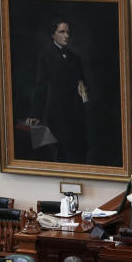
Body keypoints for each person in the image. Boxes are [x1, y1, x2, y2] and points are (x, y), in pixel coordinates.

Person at [28, 19, 89, 164]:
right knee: (61, 153)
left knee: (79, 152)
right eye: (62, 32)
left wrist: (84, 92)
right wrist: (36, 113)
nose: (66, 35)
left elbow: (83, 83)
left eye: (67, 32)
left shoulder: (75, 58)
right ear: (53, 35)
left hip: (76, 112)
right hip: (58, 112)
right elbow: (41, 86)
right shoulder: (46, 58)